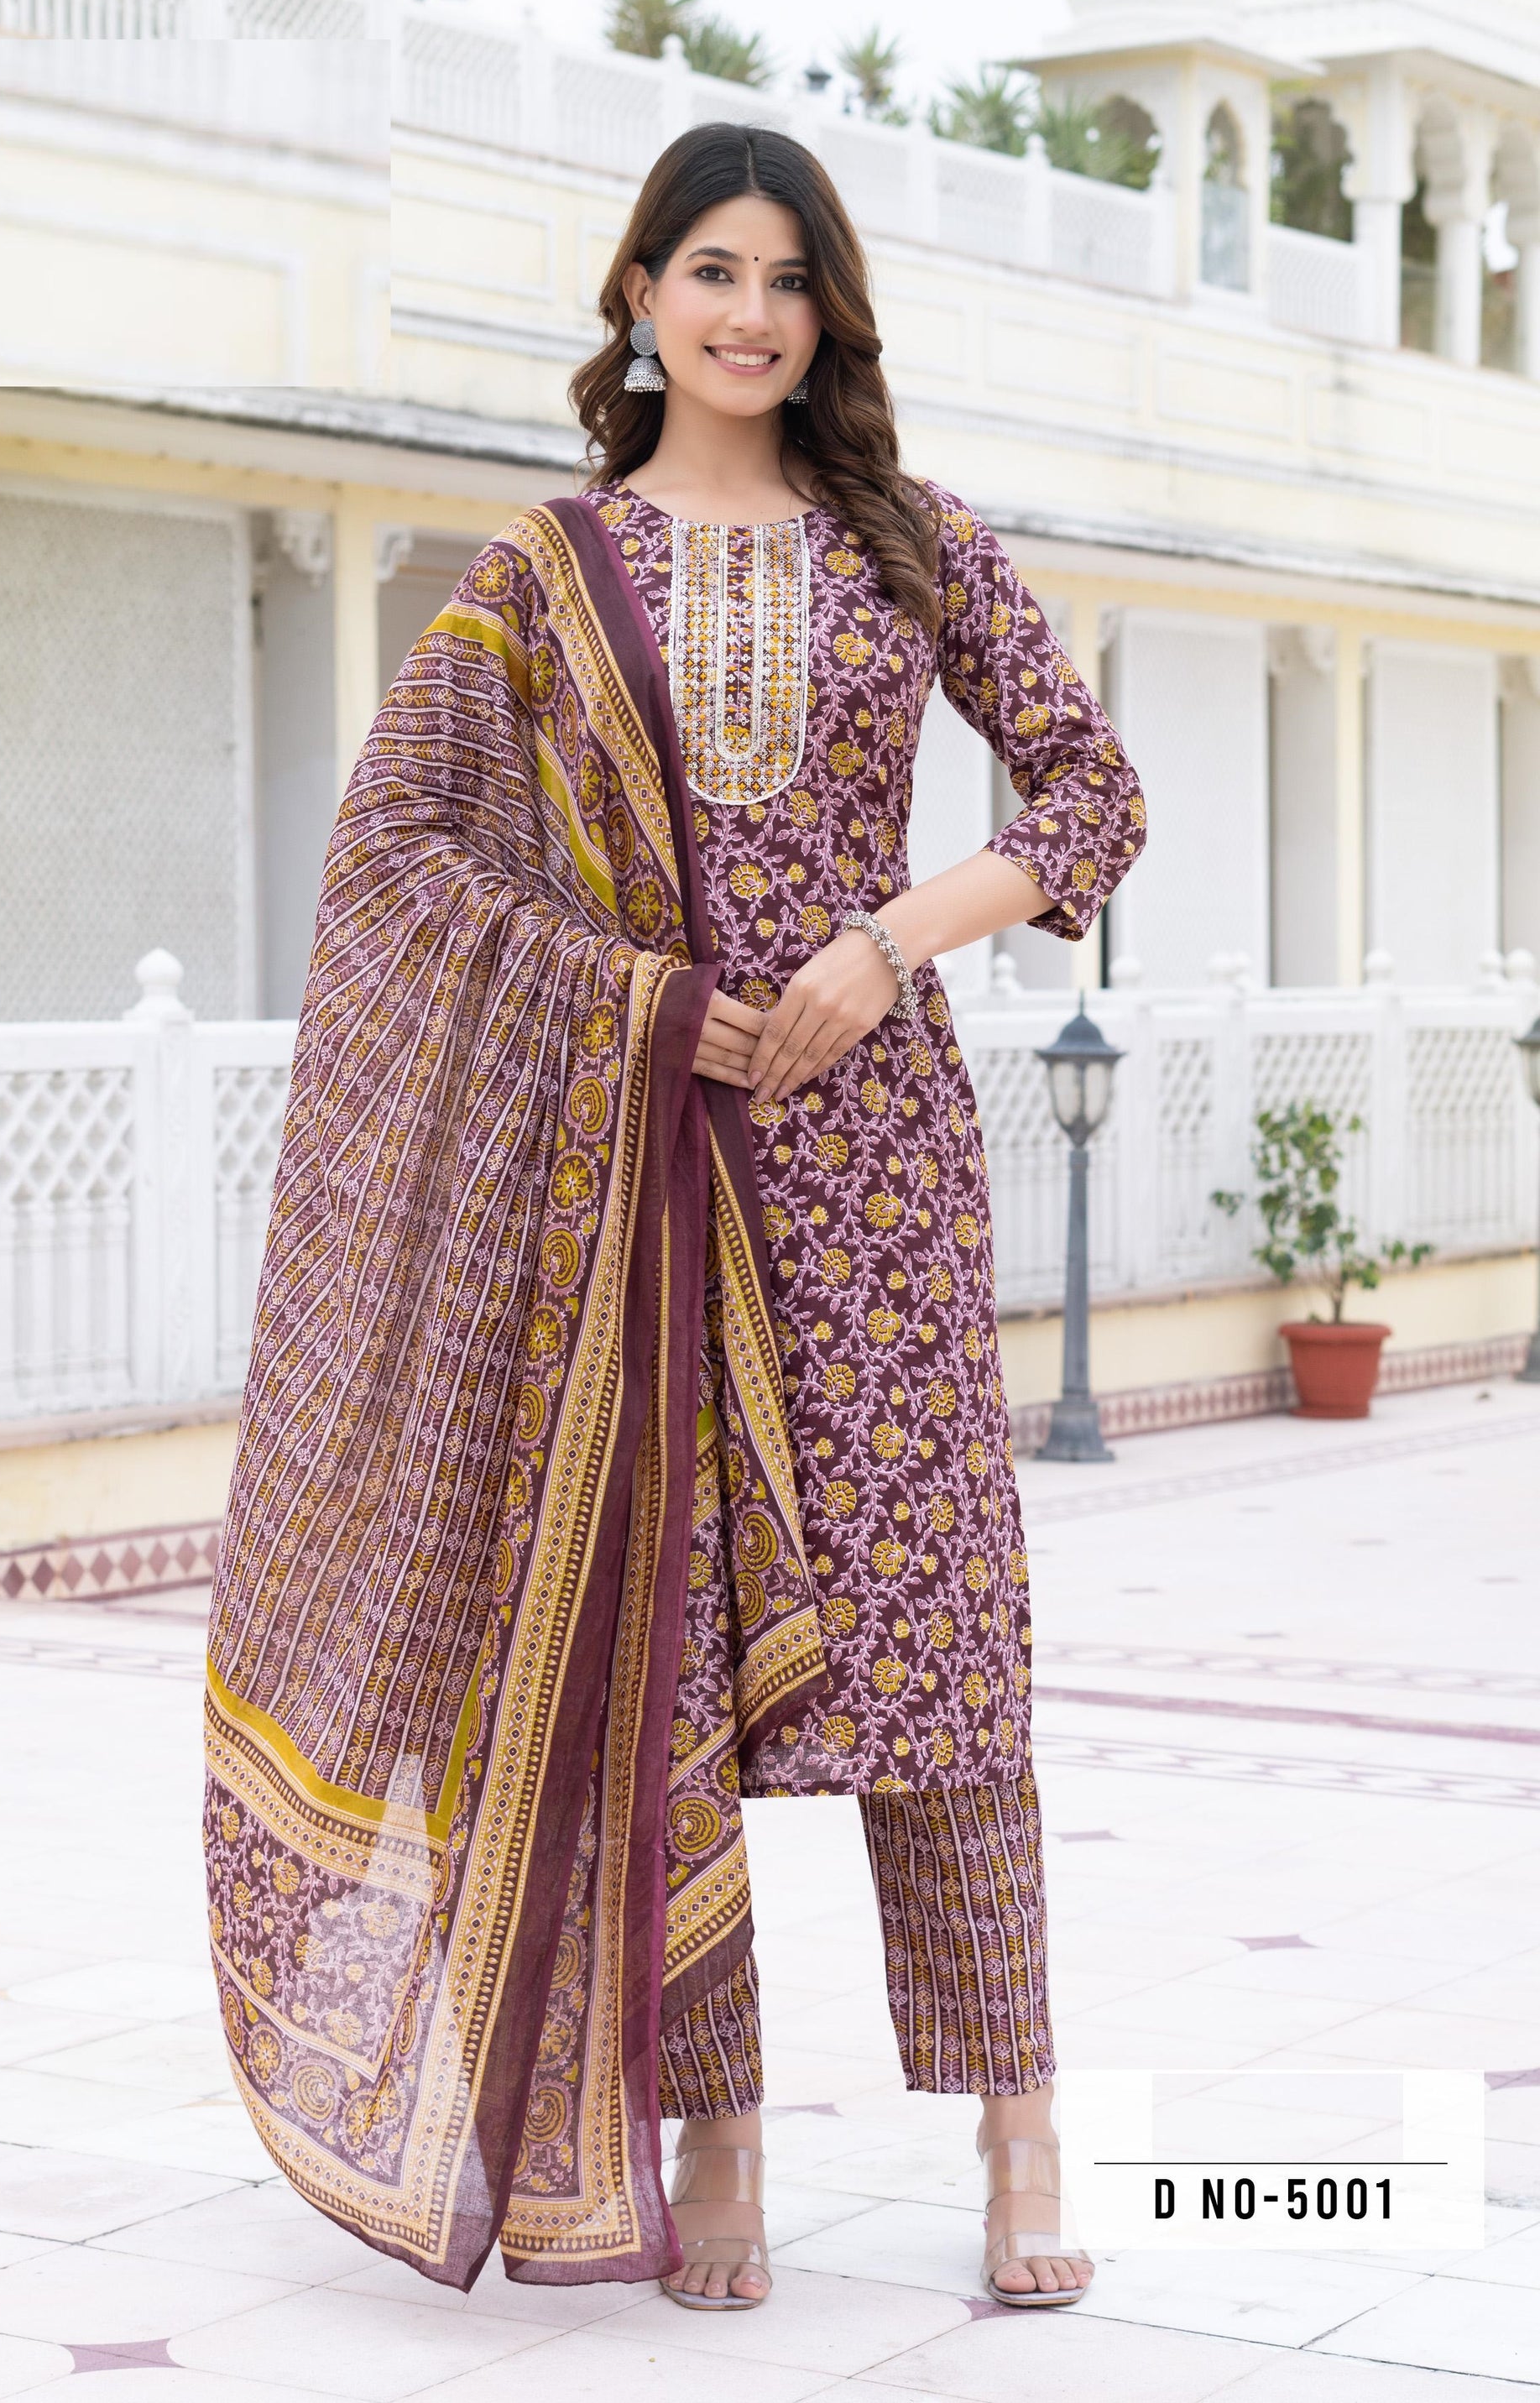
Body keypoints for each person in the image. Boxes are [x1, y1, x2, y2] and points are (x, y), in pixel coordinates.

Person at [204, 121, 1145, 2322]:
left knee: (937, 1662)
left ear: (826, 317)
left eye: (784, 280)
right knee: (680, 1667)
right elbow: (401, 858)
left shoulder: (914, 551)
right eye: (707, 271)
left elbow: (1087, 793)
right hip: (639, 1185)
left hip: (874, 1176)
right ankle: (713, 2125)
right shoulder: (543, 574)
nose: (746, 313)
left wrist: (883, 945)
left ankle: (1023, 2127)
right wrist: (645, 1005)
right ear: (636, 295)